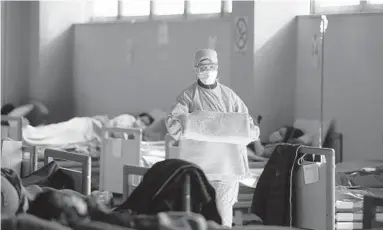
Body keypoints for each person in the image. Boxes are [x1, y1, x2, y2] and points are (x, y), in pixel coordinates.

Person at [165, 49, 260, 227]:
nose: (207, 70)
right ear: (196, 68)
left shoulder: (229, 96)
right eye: (203, 66)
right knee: (199, 214)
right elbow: (174, 124)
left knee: (224, 213)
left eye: (211, 66)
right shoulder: (187, 96)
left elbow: (248, 126)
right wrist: (195, 125)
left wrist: (229, 129)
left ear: (217, 68)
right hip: (200, 166)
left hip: (227, 165)